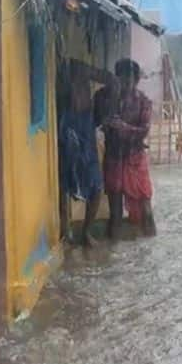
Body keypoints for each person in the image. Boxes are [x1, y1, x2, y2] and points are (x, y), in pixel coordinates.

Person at [94, 58, 157, 239]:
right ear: (116, 78)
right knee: (115, 211)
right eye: (122, 80)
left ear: (136, 80)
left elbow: (144, 131)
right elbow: (92, 120)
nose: (125, 85)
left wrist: (123, 127)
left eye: (129, 81)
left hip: (135, 158)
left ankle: (150, 251)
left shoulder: (144, 102)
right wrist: (102, 122)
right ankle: (114, 255)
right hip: (113, 158)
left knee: (146, 207)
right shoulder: (102, 97)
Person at [58, 65, 103, 247]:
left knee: (97, 189)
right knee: (65, 191)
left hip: (89, 157)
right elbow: (63, 139)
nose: (83, 94)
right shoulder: (66, 116)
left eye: (85, 90)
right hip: (70, 157)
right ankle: (65, 231)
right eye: (79, 90)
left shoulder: (89, 114)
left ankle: (86, 232)